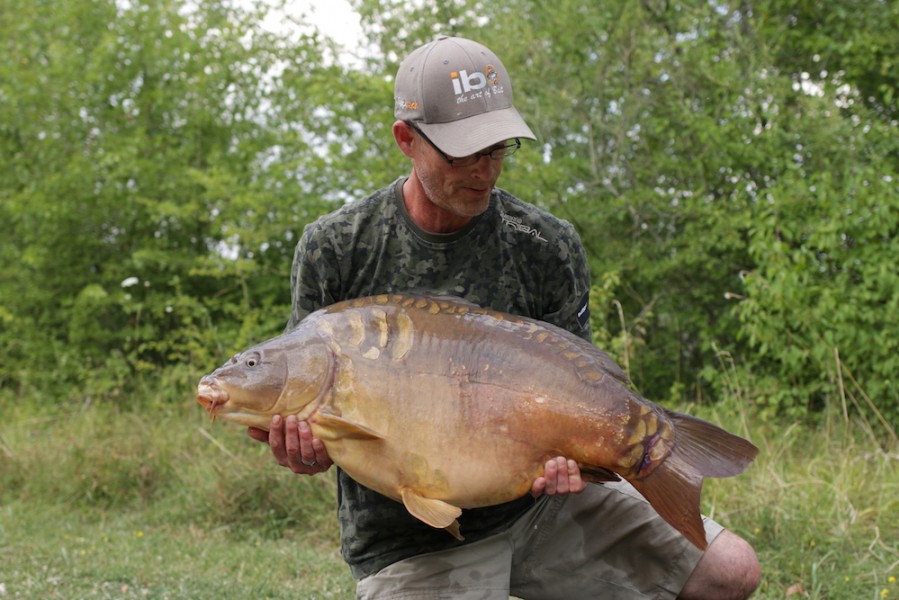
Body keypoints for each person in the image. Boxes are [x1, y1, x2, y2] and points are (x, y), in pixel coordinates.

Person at [248, 35, 760, 599]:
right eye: (461, 153)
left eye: (496, 149)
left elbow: (577, 391)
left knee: (729, 571)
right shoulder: (337, 245)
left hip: (539, 508)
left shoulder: (545, 243)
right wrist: (302, 451)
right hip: (410, 538)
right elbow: (312, 416)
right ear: (405, 140)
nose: (484, 171)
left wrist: (581, 458)